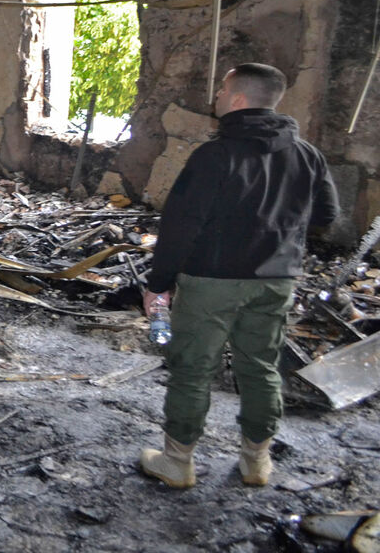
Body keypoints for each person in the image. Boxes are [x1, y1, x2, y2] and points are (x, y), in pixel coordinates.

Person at [138, 63, 338, 488]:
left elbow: (180, 225)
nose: (216, 96)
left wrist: (158, 285)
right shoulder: (308, 155)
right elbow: (327, 216)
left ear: (239, 99)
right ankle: (256, 463)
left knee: (193, 370)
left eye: (222, 89)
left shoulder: (215, 155)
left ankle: (178, 463)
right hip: (276, 280)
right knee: (262, 367)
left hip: (211, 282)